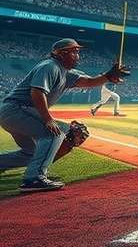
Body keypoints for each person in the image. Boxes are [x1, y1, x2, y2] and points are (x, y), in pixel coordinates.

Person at [0, 39, 129, 192]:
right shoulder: (50, 66)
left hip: (13, 112)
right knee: (56, 132)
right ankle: (34, 178)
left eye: (78, 51)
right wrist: (48, 120)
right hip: (16, 110)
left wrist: (108, 76)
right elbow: (37, 92)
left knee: (32, 152)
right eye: (74, 51)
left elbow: (88, 82)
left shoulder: (65, 72)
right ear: (62, 54)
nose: (78, 55)